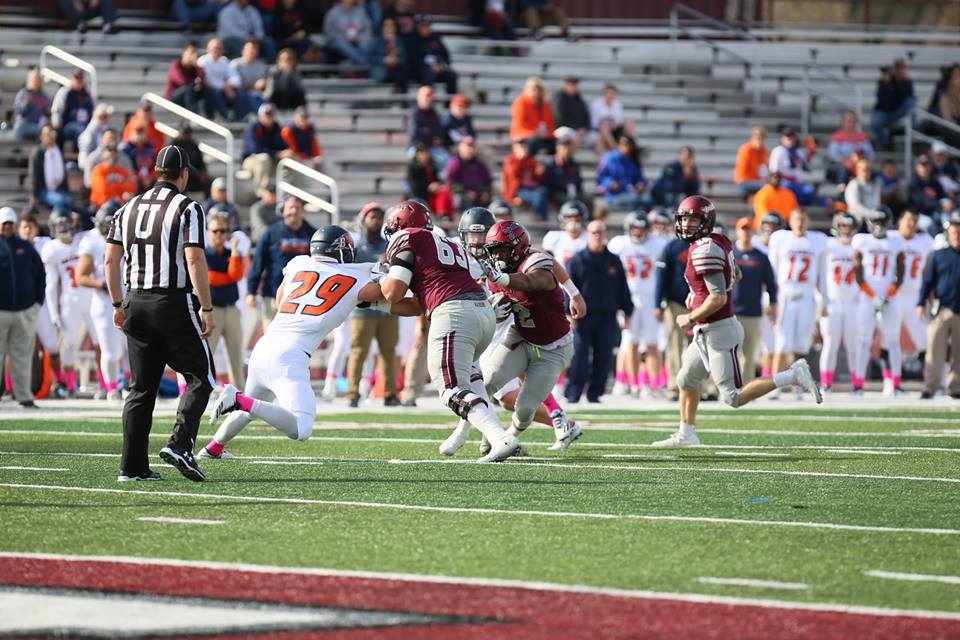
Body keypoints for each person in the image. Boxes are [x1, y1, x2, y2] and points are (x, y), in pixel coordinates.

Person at [653, 196, 821, 448]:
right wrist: (697, 295)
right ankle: (686, 434)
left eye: (692, 219)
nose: (686, 224)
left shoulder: (705, 248)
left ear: (706, 221)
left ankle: (792, 375)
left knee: (732, 396)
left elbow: (719, 297)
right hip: (706, 331)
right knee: (686, 380)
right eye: (683, 219)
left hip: (720, 331)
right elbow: (736, 275)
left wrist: (690, 316)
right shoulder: (717, 241)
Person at [203, 226, 382, 457]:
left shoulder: (298, 264)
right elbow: (387, 293)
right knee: (301, 427)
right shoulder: (356, 275)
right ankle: (236, 399)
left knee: (252, 408)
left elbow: (279, 301)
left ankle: (213, 448)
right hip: (290, 356)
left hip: (264, 347)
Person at [105, 144, 216, 483]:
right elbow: (195, 260)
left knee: (141, 389)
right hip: (171, 301)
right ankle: (180, 444)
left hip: (135, 301)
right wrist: (207, 307)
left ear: (156, 172)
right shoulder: (188, 207)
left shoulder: (128, 208)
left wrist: (117, 303)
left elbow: (110, 260)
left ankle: (132, 467)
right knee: (202, 376)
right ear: (183, 174)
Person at [378, 200, 521, 462]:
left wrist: (377, 284)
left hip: (455, 313)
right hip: (481, 311)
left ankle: (501, 439)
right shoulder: (442, 243)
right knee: (473, 379)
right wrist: (378, 304)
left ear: (400, 224)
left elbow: (392, 291)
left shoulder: (407, 236)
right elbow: (418, 305)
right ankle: (493, 437)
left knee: (450, 389)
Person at [471, 221, 577, 447]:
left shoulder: (536, 262)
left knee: (525, 407)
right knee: (485, 384)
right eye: (493, 250)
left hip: (553, 346)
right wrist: (493, 310)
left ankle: (511, 434)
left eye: (501, 249)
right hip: (519, 335)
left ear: (517, 247)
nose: (497, 256)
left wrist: (574, 293)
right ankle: (475, 435)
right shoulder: (489, 271)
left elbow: (531, 281)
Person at [564, 220, 632, 403]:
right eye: (594, 232)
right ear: (588, 234)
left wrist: (627, 311)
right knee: (580, 354)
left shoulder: (613, 260)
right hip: (582, 316)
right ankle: (573, 393)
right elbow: (568, 289)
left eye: (600, 232)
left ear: (605, 234)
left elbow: (622, 288)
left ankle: (595, 393)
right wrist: (568, 314)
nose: (597, 236)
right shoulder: (577, 260)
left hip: (607, 315)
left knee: (604, 355)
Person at [346, 203, 401, 407]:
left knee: (388, 351)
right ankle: (352, 393)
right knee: (358, 350)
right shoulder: (357, 246)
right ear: (363, 220)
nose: (376, 221)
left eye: (379, 217)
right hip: (364, 307)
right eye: (372, 217)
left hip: (387, 305)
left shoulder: (389, 245)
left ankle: (389, 393)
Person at [608, 212, 668, 397]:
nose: (638, 232)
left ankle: (652, 384)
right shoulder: (619, 244)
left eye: (642, 228)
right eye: (635, 228)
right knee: (630, 342)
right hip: (629, 299)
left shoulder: (658, 243)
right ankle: (634, 384)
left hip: (650, 300)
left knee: (652, 343)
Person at [767, 208, 827, 389]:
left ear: (807, 221)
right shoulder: (780, 239)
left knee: (802, 343)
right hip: (785, 294)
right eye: (796, 219)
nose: (800, 223)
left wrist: (824, 300)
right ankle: (774, 384)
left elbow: (822, 275)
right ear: (790, 222)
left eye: (803, 219)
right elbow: (772, 271)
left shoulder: (818, 241)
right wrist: (770, 298)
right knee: (782, 342)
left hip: (807, 295)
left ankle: (799, 384)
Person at [852, 208, 905, 395]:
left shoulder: (896, 241)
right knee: (864, 339)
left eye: (883, 222)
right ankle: (858, 385)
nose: (879, 226)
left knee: (892, 340)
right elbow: (858, 272)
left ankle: (896, 384)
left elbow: (901, 271)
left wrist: (890, 292)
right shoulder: (861, 241)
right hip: (868, 296)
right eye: (876, 221)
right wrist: (871, 294)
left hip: (890, 296)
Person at [75, 201, 125, 400]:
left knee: (130, 349)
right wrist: (102, 284)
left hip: (129, 297)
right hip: (104, 301)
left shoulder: (129, 236)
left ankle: (129, 385)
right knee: (110, 350)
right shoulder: (91, 241)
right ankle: (113, 388)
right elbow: (81, 276)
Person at [246, 195, 317, 328]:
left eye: (297, 208)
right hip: (273, 295)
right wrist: (251, 291)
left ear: (303, 211)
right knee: (272, 339)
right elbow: (258, 263)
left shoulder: (314, 235)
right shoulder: (270, 233)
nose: (294, 211)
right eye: (290, 208)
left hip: (304, 298)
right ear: (283, 211)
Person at [0, 207, 44, 408]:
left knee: (22, 355)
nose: (7, 227)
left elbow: (40, 276)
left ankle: (24, 396)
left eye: (10, 223)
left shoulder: (26, 248)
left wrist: (37, 303)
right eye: (4, 223)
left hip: (25, 310)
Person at [918, 211, 960, 399]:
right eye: (954, 232)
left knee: (959, 353)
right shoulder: (938, 255)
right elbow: (928, 281)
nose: (957, 235)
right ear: (947, 234)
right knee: (934, 349)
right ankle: (931, 386)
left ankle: (955, 387)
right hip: (942, 308)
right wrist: (920, 302)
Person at [731, 217, 777, 384]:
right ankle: (725, 386)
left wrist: (773, 303)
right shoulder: (730, 254)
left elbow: (771, 283)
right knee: (728, 352)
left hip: (752, 310)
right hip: (730, 311)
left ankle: (746, 387)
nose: (745, 232)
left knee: (749, 353)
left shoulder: (760, 257)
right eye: (743, 229)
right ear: (737, 231)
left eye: (748, 229)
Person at [817, 212, 859, 393]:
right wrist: (821, 302)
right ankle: (826, 383)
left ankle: (858, 384)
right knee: (830, 342)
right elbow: (818, 275)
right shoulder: (827, 245)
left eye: (849, 226)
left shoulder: (859, 246)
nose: (846, 230)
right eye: (842, 226)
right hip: (832, 301)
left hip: (852, 301)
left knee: (853, 344)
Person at [204, 211, 246, 389]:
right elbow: (210, 278)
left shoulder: (232, 253)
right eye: (215, 231)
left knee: (236, 356)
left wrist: (235, 252)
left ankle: (239, 394)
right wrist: (228, 276)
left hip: (231, 309)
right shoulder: (204, 253)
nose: (219, 235)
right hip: (211, 310)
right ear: (208, 232)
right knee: (206, 355)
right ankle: (201, 392)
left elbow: (236, 274)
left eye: (223, 231)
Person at [895, 208, 932, 359]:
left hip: (914, 296)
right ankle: (890, 379)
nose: (911, 224)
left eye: (915, 221)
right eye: (908, 219)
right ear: (900, 221)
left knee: (924, 338)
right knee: (888, 338)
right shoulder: (890, 238)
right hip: (892, 296)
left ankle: (931, 376)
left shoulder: (925, 241)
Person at [242, 103, 294, 192]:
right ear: (260, 116)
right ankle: (262, 193)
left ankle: (293, 193)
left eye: (271, 115)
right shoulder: (253, 128)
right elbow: (255, 149)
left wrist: (288, 152)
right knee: (264, 158)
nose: (269, 118)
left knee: (291, 160)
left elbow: (285, 146)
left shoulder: (279, 129)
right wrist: (277, 154)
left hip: (272, 160)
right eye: (266, 115)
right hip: (251, 160)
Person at [871, 59, 916, 148]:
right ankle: (886, 142)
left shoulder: (907, 81)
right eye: (897, 69)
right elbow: (881, 98)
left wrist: (903, 83)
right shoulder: (884, 81)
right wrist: (886, 84)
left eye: (901, 69)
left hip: (897, 111)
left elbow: (909, 96)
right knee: (875, 123)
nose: (899, 71)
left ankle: (913, 132)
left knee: (911, 103)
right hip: (884, 111)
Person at [597, 135, 647, 211]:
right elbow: (601, 178)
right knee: (633, 200)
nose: (627, 147)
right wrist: (610, 183)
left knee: (648, 200)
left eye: (629, 144)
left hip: (632, 192)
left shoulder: (633, 160)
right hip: (615, 195)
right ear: (619, 145)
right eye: (624, 144)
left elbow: (640, 178)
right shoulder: (609, 159)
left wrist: (640, 184)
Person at [768, 127, 815, 206]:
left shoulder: (798, 152)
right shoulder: (778, 151)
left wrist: (810, 153)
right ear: (782, 139)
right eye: (788, 137)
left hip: (796, 183)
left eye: (792, 137)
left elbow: (807, 168)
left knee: (808, 191)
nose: (790, 140)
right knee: (789, 188)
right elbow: (773, 170)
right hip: (782, 182)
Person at [501, 141, 548, 220]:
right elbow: (513, 174)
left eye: (525, 147)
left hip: (531, 189)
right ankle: (538, 217)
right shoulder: (510, 160)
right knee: (539, 195)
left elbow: (537, 178)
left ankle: (541, 217)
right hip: (518, 190)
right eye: (521, 147)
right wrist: (520, 159)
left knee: (542, 191)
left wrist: (540, 173)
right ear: (515, 148)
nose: (523, 149)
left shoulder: (530, 159)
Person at [443, 137, 492, 212]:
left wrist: (484, 192)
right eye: (468, 146)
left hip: (477, 196)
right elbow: (449, 183)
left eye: (472, 146)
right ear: (460, 147)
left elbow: (488, 181)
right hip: (461, 196)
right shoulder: (454, 163)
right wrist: (466, 191)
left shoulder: (479, 164)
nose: (471, 149)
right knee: (459, 199)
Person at [510, 77, 555, 156]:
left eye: (539, 89)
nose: (536, 92)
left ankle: (552, 166)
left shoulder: (545, 105)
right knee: (533, 142)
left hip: (542, 136)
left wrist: (547, 133)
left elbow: (550, 125)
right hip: (526, 136)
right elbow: (519, 128)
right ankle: (530, 165)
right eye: (533, 89)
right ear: (526, 90)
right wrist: (535, 133)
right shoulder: (521, 103)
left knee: (558, 143)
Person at [411, 16, 457, 95]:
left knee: (451, 75)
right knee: (429, 74)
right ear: (418, 26)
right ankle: (428, 103)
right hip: (420, 71)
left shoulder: (435, 37)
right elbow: (413, 59)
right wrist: (429, 66)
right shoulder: (413, 39)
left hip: (438, 67)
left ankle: (449, 104)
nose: (426, 28)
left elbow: (445, 54)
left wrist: (443, 65)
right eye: (423, 26)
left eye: (428, 26)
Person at [28, 126, 71, 211]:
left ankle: (66, 222)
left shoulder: (58, 150)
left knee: (68, 201)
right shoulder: (37, 152)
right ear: (41, 136)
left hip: (58, 188)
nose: (51, 136)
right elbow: (34, 175)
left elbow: (62, 173)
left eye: (52, 133)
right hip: (43, 190)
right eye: (47, 134)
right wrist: (33, 195)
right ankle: (57, 222)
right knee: (59, 201)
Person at [198, 38, 242, 121]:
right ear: (208, 49)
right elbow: (209, 81)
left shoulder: (224, 61)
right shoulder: (202, 62)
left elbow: (236, 78)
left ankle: (239, 117)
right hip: (208, 91)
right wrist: (225, 86)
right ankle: (225, 117)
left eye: (220, 48)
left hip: (223, 89)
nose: (217, 51)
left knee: (238, 92)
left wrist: (229, 84)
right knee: (215, 92)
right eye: (215, 48)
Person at [50, 69, 95, 150]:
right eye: (76, 78)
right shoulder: (65, 92)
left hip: (85, 126)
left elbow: (92, 113)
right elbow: (57, 109)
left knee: (90, 133)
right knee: (82, 132)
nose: (78, 81)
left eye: (80, 78)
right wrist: (56, 122)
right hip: (68, 125)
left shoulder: (87, 95)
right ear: (71, 78)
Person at [589, 83, 638, 157]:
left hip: (614, 130)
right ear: (604, 93)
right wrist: (607, 125)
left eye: (612, 93)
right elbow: (594, 124)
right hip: (601, 131)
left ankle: (634, 148)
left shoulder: (618, 104)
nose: (610, 95)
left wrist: (611, 125)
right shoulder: (595, 104)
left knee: (630, 124)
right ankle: (616, 150)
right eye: (608, 93)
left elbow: (619, 121)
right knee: (604, 128)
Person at [166, 42, 213, 117]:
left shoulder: (195, 68)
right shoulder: (176, 65)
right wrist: (195, 83)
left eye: (195, 53)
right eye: (191, 52)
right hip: (173, 98)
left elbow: (203, 81)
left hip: (189, 95)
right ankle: (194, 118)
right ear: (184, 53)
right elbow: (182, 81)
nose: (193, 55)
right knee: (189, 89)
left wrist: (197, 66)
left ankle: (211, 117)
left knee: (207, 90)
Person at [407, 85, 450, 168]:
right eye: (426, 96)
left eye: (430, 96)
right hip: (416, 147)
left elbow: (439, 132)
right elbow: (414, 134)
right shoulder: (414, 114)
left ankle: (438, 181)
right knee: (418, 162)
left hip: (431, 146)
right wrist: (431, 134)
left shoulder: (433, 113)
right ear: (419, 97)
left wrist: (426, 131)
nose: (429, 99)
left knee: (446, 159)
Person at [406, 143, 453, 218]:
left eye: (425, 152)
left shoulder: (432, 166)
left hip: (432, 196)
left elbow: (438, 180)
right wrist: (429, 187)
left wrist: (437, 185)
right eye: (421, 153)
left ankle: (444, 215)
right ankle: (442, 214)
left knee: (445, 191)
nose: (424, 155)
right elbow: (414, 187)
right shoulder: (413, 168)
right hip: (421, 196)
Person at [827, 111, 874, 186]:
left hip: (858, 165)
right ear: (842, 122)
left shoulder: (862, 137)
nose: (850, 124)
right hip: (840, 166)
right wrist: (847, 162)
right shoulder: (837, 137)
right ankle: (841, 193)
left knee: (866, 170)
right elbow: (833, 154)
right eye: (848, 121)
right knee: (843, 169)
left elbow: (870, 155)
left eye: (853, 121)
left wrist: (861, 156)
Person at [323, 0, 372, 67]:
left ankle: (361, 63)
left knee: (366, 42)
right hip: (340, 41)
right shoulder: (333, 12)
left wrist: (359, 38)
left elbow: (367, 30)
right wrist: (344, 38)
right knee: (340, 43)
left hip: (358, 40)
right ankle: (365, 64)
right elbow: (329, 33)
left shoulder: (360, 11)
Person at [543, 128, 584, 208]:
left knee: (587, 199)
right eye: (564, 146)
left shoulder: (574, 164)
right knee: (570, 201)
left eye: (569, 146)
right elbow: (548, 185)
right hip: (558, 194)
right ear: (558, 148)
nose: (567, 149)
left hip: (573, 193)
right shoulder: (551, 165)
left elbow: (579, 182)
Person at [89, 143, 136, 208]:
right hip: (100, 207)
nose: (111, 153)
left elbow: (132, 188)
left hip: (119, 206)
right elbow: (103, 189)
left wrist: (112, 185)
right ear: (102, 154)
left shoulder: (122, 171)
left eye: (114, 151)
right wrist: (121, 185)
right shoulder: (98, 170)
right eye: (109, 150)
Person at [542, 199, 587, 266]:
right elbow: (545, 261)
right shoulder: (553, 236)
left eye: (577, 217)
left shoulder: (590, 237)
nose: (573, 220)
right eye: (569, 217)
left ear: (582, 218)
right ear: (563, 218)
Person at [369, 17, 408, 93]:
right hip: (381, 70)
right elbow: (370, 57)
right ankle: (399, 97)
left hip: (396, 70)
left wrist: (396, 60)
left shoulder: (399, 41)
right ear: (382, 28)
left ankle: (401, 98)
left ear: (395, 28)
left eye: (391, 25)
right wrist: (385, 60)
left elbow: (404, 58)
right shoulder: (376, 40)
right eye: (386, 25)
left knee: (403, 71)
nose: (389, 28)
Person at [230, 40, 268, 118]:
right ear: (243, 51)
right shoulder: (235, 64)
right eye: (250, 49)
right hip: (239, 94)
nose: (252, 51)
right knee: (246, 95)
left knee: (266, 102)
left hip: (257, 94)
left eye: (255, 49)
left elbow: (263, 86)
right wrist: (254, 86)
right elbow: (236, 85)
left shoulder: (260, 65)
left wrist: (263, 84)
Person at [172, 123, 211, 196]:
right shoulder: (174, 146)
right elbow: (176, 165)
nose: (186, 135)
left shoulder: (193, 145)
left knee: (209, 182)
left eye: (188, 133)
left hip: (194, 177)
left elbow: (201, 162)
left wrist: (203, 172)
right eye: (184, 132)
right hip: (181, 174)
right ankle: (181, 204)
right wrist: (196, 173)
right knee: (181, 182)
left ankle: (208, 205)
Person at [13, 69, 50, 143]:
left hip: (37, 126)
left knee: (45, 132)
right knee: (20, 129)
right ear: (28, 80)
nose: (35, 81)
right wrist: (26, 101)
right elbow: (20, 112)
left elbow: (46, 113)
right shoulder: (22, 93)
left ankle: (37, 153)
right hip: (23, 125)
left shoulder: (43, 96)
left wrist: (48, 112)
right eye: (33, 79)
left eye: (37, 79)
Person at [552, 76, 589, 149]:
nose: (573, 87)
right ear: (565, 85)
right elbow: (559, 118)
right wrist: (576, 128)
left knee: (596, 138)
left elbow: (586, 116)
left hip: (578, 131)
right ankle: (566, 159)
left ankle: (603, 159)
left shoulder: (579, 99)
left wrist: (584, 128)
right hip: (562, 129)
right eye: (571, 84)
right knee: (568, 135)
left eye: (575, 84)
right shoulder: (559, 98)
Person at [844, 158, 884, 225]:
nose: (865, 171)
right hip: (856, 222)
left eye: (867, 168)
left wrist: (873, 215)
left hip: (872, 222)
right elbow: (854, 205)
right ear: (857, 170)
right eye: (862, 169)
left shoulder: (876, 185)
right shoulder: (853, 185)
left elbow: (876, 204)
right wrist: (871, 214)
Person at [118, 125, 157, 191]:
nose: (140, 135)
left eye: (142, 133)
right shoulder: (125, 148)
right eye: (137, 133)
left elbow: (155, 164)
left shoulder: (150, 146)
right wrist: (140, 177)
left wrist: (150, 177)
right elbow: (125, 168)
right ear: (131, 133)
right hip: (132, 178)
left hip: (149, 178)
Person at [733, 126, 768, 198]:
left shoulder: (764, 151)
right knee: (767, 187)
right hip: (744, 180)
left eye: (761, 138)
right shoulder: (745, 149)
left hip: (757, 181)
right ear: (752, 138)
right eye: (757, 137)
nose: (759, 140)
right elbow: (743, 171)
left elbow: (764, 168)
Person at [78, 103, 114, 170]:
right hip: (93, 166)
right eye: (103, 116)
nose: (105, 119)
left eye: (106, 116)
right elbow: (83, 158)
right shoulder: (88, 134)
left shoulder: (109, 129)